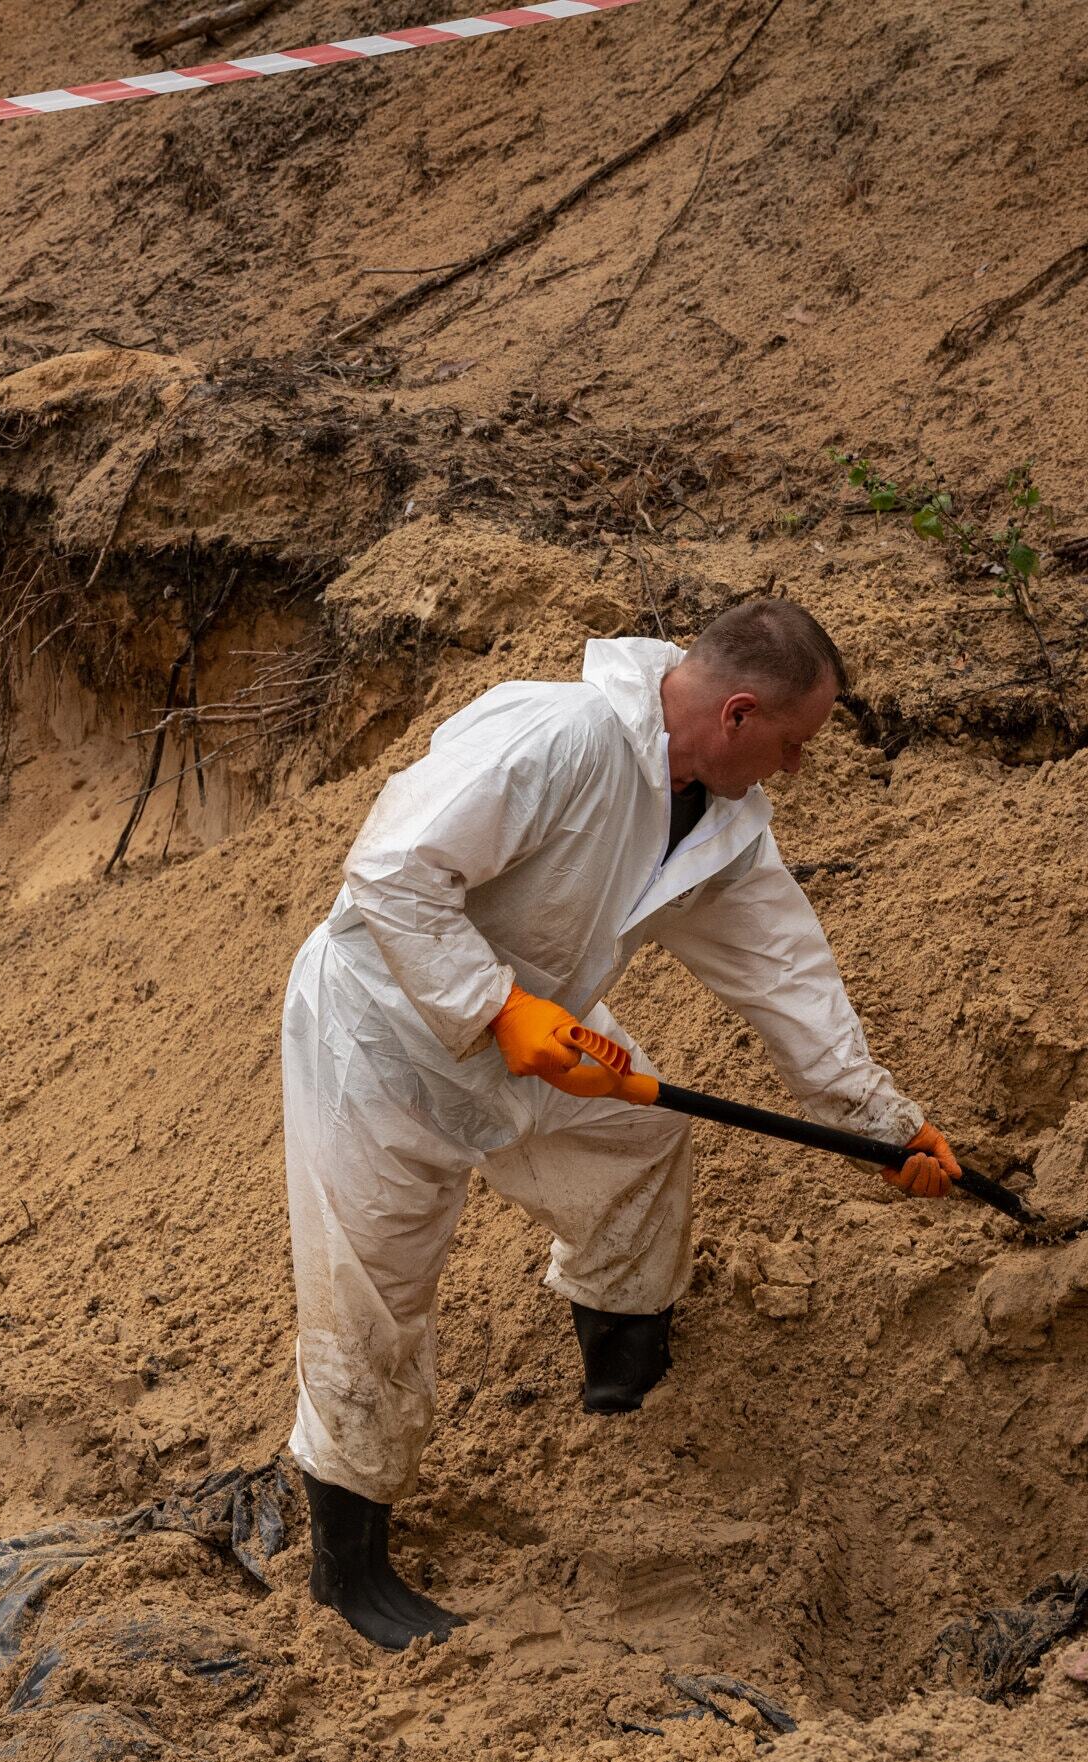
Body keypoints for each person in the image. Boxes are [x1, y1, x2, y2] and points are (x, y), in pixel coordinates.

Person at [282, 600, 960, 1651]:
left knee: (636, 1138)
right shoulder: (559, 736)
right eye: (791, 744)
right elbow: (391, 870)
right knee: (370, 1295)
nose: (791, 767)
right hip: (383, 1037)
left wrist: (885, 1126)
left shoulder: (721, 821)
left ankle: (620, 1369)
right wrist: (492, 1007)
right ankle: (350, 1571)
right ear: (737, 712)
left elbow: (786, 977)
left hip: (543, 1025)